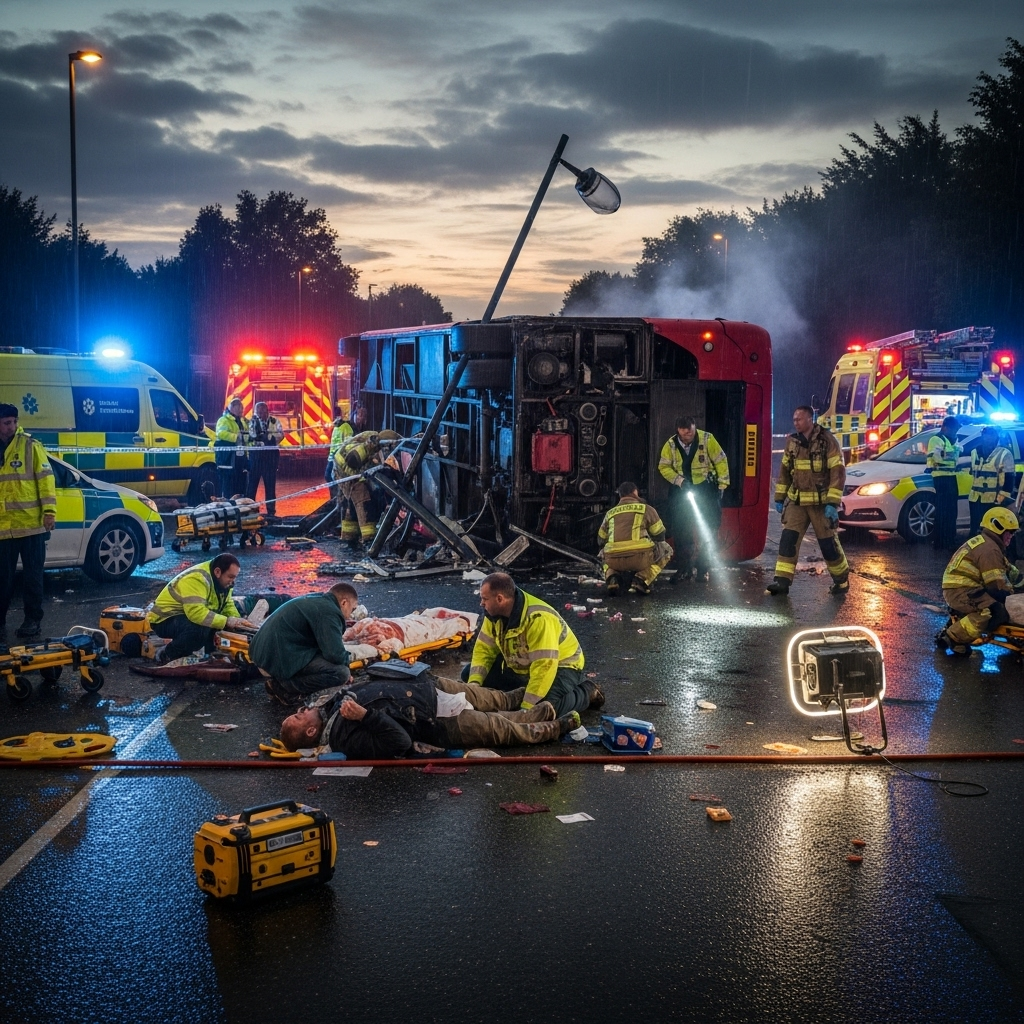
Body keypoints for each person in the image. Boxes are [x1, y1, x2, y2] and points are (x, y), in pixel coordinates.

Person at [279, 675, 580, 758]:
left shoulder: (329, 708)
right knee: (502, 727)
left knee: (501, 700)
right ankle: (558, 723)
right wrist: (365, 716)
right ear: (309, 733)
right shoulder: (345, 738)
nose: (300, 711)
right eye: (297, 718)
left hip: (430, 687)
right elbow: (398, 742)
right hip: (438, 720)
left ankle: (548, 699)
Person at [461, 571, 600, 716]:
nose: (481, 603)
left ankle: (586, 692)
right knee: (467, 674)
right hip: (524, 666)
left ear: (500, 599)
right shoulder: (493, 615)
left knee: (545, 711)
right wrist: (474, 686)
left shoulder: (538, 618)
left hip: (562, 666)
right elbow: (484, 650)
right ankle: (526, 691)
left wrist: (526, 709)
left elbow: (544, 666)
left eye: (484, 599)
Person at [767, 405, 849, 596]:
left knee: (828, 545)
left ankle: (841, 581)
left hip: (820, 504)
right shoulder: (792, 442)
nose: (796, 422)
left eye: (800, 419)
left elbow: (838, 472)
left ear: (811, 419)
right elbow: (785, 471)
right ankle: (782, 582)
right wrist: (779, 497)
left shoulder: (827, 441)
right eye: (794, 419)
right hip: (797, 502)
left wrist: (832, 503)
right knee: (788, 540)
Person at [0, 403, 56, 641]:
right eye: (6, 423)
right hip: (3, 529)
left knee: (33, 578)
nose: (11, 426)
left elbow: (45, 479)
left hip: (31, 526)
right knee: (2, 580)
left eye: (14, 421)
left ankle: (33, 621)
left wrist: (49, 512)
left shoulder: (31, 446)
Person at [251, 582, 357, 706]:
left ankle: (281, 681)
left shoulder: (318, 600)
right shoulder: (329, 611)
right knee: (341, 673)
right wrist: (348, 665)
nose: (350, 615)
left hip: (260, 652)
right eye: (352, 609)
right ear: (344, 603)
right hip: (274, 657)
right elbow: (335, 654)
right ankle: (283, 687)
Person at [937, 507, 1021, 654]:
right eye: (1009, 533)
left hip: (965, 589)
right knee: (992, 612)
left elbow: (1009, 570)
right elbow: (997, 585)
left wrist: (1021, 582)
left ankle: (959, 620)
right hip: (961, 591)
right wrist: (1011, 596)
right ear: (998, 529)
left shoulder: (988, 543)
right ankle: (952, 637)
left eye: (1013, 533)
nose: (1011, 537)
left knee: (998, 606)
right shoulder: (990, 549)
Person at [657, 415, 729, 581]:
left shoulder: (707, 439)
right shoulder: (670, 444)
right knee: (681, 531)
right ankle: (684, 569)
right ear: (678, 431)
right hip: (682, 491)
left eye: (690, 432)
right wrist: (680, 481)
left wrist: (722, 486)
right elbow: (663, 466)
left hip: (706, 490)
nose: (687, 436)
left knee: (709, 530)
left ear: (694, 428)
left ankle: (703, 569)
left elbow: (721, 461)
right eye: (684, 434)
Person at [148, 553, 255, 661]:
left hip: (183, 616)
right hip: (163, 620)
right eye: (230, 577)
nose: (233, 581)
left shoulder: (223, 582)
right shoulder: (197, 579)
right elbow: (196, 613)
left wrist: (237, 623)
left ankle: (208, 654)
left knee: (216, 625)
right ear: (217, 572)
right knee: (199, 629)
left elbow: (226, 604)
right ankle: (168, 654)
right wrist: (227, 621)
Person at [597, 481, 672, 595]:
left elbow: (600, 540)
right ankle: (641, 580)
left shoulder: (610, 513)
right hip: (640, 558)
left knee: (602, 554)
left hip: (614, 560)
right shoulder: (646, 509)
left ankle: (612, 576)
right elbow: (660, 534)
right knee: (666, 550)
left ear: (620, 495)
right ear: (635, 493)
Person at [333, 427, 400, 549]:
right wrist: (369, 446)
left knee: (350, 505)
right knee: (363, 502)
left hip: (346, 471)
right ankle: (370, 540)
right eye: (389, 446)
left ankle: (350, 539)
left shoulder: (372, 440)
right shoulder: (370, 444)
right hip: (346, 473)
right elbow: (352, 460)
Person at [967, 426, 1014, 536]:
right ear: (982, 437)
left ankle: (991, 551)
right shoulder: (974, 452)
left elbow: (1009, 481)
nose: (987, 440)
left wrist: (1001, 500)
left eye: (990, 438)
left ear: (996, 439)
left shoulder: (1004, 454)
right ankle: (976, 551)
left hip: (993, 500)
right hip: (975, 499)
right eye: (985, 437)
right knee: (975, 529)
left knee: (991, 531)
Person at [927, 416, 961, 551]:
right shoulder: (936, 439)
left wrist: (952, 453)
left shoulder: (953, 440)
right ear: (945, 427)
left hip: (951, 477)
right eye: (954, 429)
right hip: (940, 478)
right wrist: (953, 453)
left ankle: (949, 539)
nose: (955, 432)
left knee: (952, 511)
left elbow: (954, 455)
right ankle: (940, 541)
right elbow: (938, 457)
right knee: (943, 511)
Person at [247, 401, 284, 515]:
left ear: (267, 411)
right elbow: (251, 436)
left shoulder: (274, 421)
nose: (260, 414)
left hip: (270, 457)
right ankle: (249, 510)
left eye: (263, 411)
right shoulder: (252, 421)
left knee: (270, 487)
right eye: (258, 411)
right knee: (252, 486)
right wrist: (262, 438)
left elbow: (281, 435)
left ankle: (271, 512)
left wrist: (269, 438)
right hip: (256, 457)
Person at [214, 397, 250, 499]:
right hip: (227, 459)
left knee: (240, 486)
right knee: (228, 486)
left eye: (242, 408)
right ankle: (228, 508)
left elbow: (245, 437)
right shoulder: (223, 420)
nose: (241, 410)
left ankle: (238, 508)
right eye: (239, 407)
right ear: (232, 407)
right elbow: (220, 433)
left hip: (239, 459)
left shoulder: (242, 422)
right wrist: (235, 437)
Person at [324, 404, 360, 496]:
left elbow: (349, 442)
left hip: (338, 457)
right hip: (332, 457)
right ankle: (335, 496)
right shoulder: (335, 427)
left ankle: (338, 496)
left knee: (331, 476)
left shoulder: (345, 426)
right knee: (328, 476)